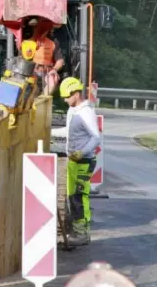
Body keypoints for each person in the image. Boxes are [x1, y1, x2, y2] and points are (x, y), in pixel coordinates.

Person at [59, 76, 101, 247]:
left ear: (76, 94)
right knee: (72, 196)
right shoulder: (73, 110)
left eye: (67, 96)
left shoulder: (86, 112)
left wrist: (81, 152)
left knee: (78, 197)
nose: (65, 99)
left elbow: (96, 137)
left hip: (84, 161)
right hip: (74, 161)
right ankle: (77, 230)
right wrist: (47, 131)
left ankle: (82, 233)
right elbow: (69, 133)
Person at [23, 20, 65, 95]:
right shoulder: (27, 43)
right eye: (37, 28)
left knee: (53, 79)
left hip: (47, 72)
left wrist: (54, 70)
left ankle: (42, 99)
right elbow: (23, 61)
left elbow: (60, 61)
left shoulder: (53, 43)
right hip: (32, 71)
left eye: (45, 28)